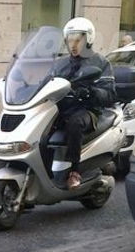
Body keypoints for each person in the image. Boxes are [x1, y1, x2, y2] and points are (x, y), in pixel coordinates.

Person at [44, 18, 117, 189]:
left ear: (88, 39)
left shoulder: (101, 62)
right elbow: (45, 83)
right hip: (60, 109)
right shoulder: (59, 64)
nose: (73, 44)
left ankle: (74, 171)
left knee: (75, 123)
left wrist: (92, 92)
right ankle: (39, 175)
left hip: (87, 111)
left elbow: (110, 94)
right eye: (70, 40)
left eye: (78, 39)